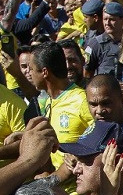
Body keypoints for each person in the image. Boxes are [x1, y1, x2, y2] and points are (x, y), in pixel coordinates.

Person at [31, 42, 94, 170]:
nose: (29, 73)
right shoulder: (50, 101)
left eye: (31, 68)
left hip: (78, 188)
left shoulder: (81, 100)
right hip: (57, 183)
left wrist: (79, 156)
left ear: (44, 72)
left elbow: (104, 135)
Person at [84, 1, 123, 77]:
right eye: (105, 19)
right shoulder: (94, 44)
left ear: (122, 20)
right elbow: (87, 74)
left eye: (112, 19)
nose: (107, 23)